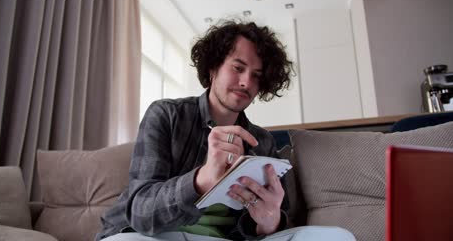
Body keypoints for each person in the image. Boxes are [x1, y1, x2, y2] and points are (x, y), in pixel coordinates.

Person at [96, 20, 355, 241]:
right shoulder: (167, 114)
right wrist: (202, 179)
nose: (246, 82)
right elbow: (141, 212)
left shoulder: (262, 142)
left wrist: (269, 221)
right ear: (212, 68)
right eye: (238, 68)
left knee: (338, 237)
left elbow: (270, 228)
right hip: (157, 236)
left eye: (256, 75)